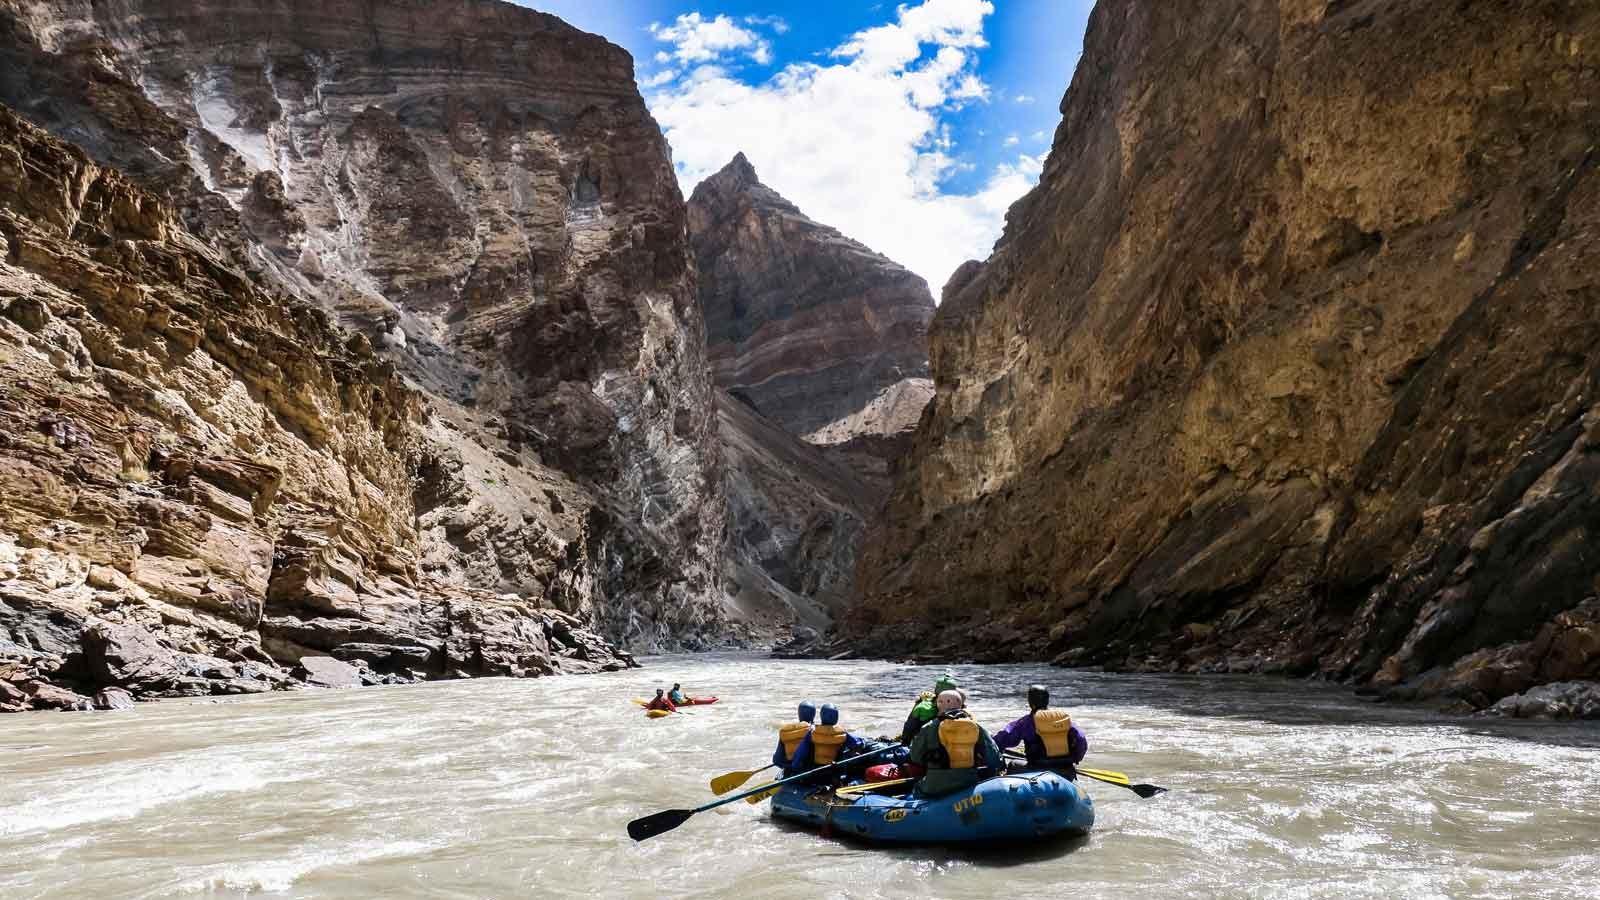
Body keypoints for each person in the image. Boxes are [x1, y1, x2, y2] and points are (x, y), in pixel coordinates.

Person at [907, 689, 1001, 797]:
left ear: (938, 704)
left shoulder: (928, 727)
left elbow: (915, 757)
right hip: (968, 782)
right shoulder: (976, 727)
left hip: (935, 785)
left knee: (915, 791)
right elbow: (994, 758)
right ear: (960, 704)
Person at [995, 684, 1088, 775]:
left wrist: (992, 742)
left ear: (1031, 703)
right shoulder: (1063, 720)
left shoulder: (1026, 722)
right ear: (1047, 701)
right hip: (1065, 770)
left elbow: (1005, 738)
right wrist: (1075, 759)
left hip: (1037, 769)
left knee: (1013, 764)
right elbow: (1081, 738)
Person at [785, 703, 867, 785]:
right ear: (836, 718)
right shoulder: (842, 733)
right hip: (834, 772)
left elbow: (800, 754)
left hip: (816, 772)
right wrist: (862, 742)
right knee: (846, 751)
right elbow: (857, 743)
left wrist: (795, 769)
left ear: (821, 716)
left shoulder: (812, 732)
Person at [899, 672, 959, 744]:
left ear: (936, 689)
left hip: (924, 743)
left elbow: (909, 727)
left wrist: (905, 741)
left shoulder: (922, 706)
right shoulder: (958, 706)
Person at [772, 700, 817, 769]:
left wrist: (787, 766)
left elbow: (777, 760)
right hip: (809, 769)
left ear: (799, 714)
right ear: (813, 715)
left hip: (790, 769)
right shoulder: (815, 731)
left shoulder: (785, 732)